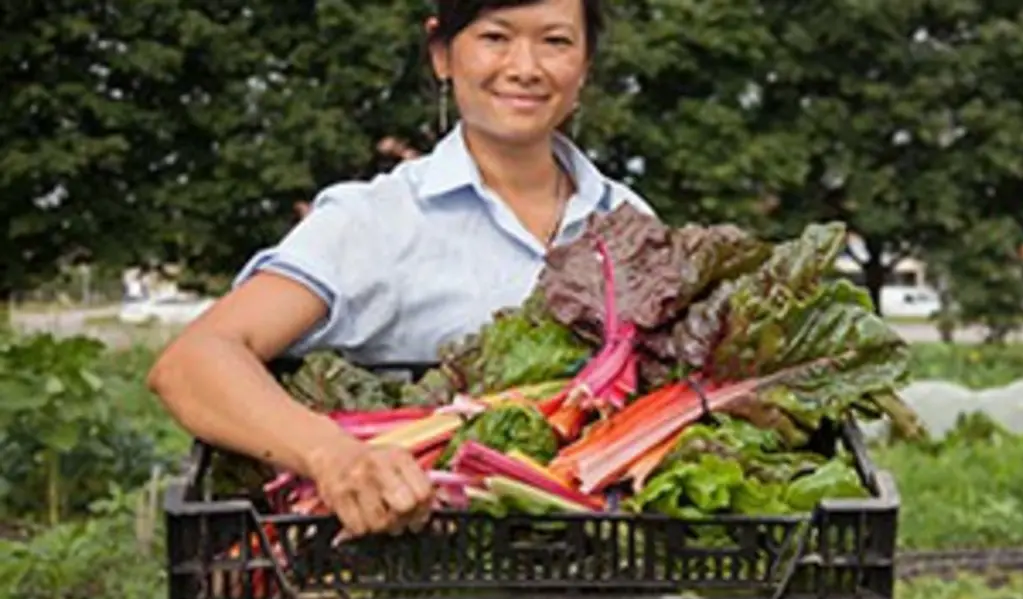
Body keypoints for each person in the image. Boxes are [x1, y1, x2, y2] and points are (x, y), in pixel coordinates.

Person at [147, 0, 655, 540]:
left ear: (586, 65)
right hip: (405, 574)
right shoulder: (375, 221)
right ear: (441, 53)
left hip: (588, 584)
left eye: (555, 41)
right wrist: (334, 457)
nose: (525, 66)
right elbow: (192, 363)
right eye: (495, 37)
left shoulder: (629, 221)